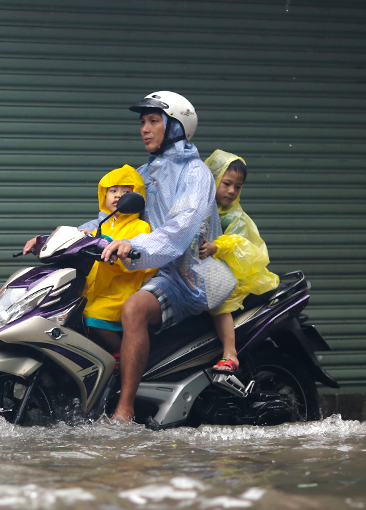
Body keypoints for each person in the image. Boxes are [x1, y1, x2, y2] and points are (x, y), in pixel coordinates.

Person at [101, 91, 236, 421]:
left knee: (133, 309)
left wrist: (137, 247)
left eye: (153, 121)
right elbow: (113, 216)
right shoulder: (146, 173)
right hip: (152, 270)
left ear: (176, 127)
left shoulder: (195, 174)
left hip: (187, 279)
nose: (144, 129)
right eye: (143, 122)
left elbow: (181, 227)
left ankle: (125, 408)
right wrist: (65, 237)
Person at [199, 150, 280, 373]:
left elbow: (240, 245)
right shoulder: (200, 208)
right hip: (202, 270)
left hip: (233, 274)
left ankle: (230, 353)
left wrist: (218, 246)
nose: (232, 191)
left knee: (220, 302)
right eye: (226, 183)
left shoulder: (235, 217)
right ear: (212, 178)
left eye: (238, 186)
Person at [75, 165, 156, 353]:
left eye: (126, 192)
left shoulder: (139, 227)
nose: (118, 196)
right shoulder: (104, 225)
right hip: (97, 289)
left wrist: (117, 247)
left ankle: (121, 354)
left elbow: (140, 254)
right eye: (113, 191)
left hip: (120, 289)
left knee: (94, 315)